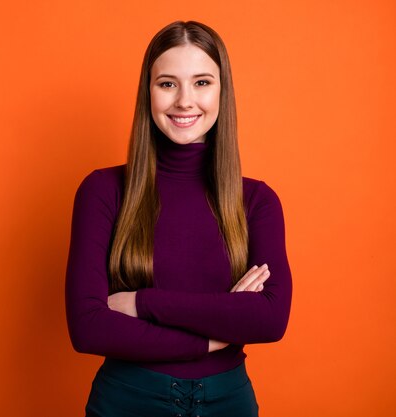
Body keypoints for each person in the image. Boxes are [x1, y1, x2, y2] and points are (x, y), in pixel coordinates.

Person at [65, 20, 292, 417]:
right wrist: (215, 332)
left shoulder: (257, 201)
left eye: (202, 82)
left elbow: (270, 319)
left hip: (229, 403)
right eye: (167, 83)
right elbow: (88, 326)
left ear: (223, 91)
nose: (185, 101)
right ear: (147, 93)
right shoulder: (103, 190)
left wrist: (141, 302)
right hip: (127, 400)